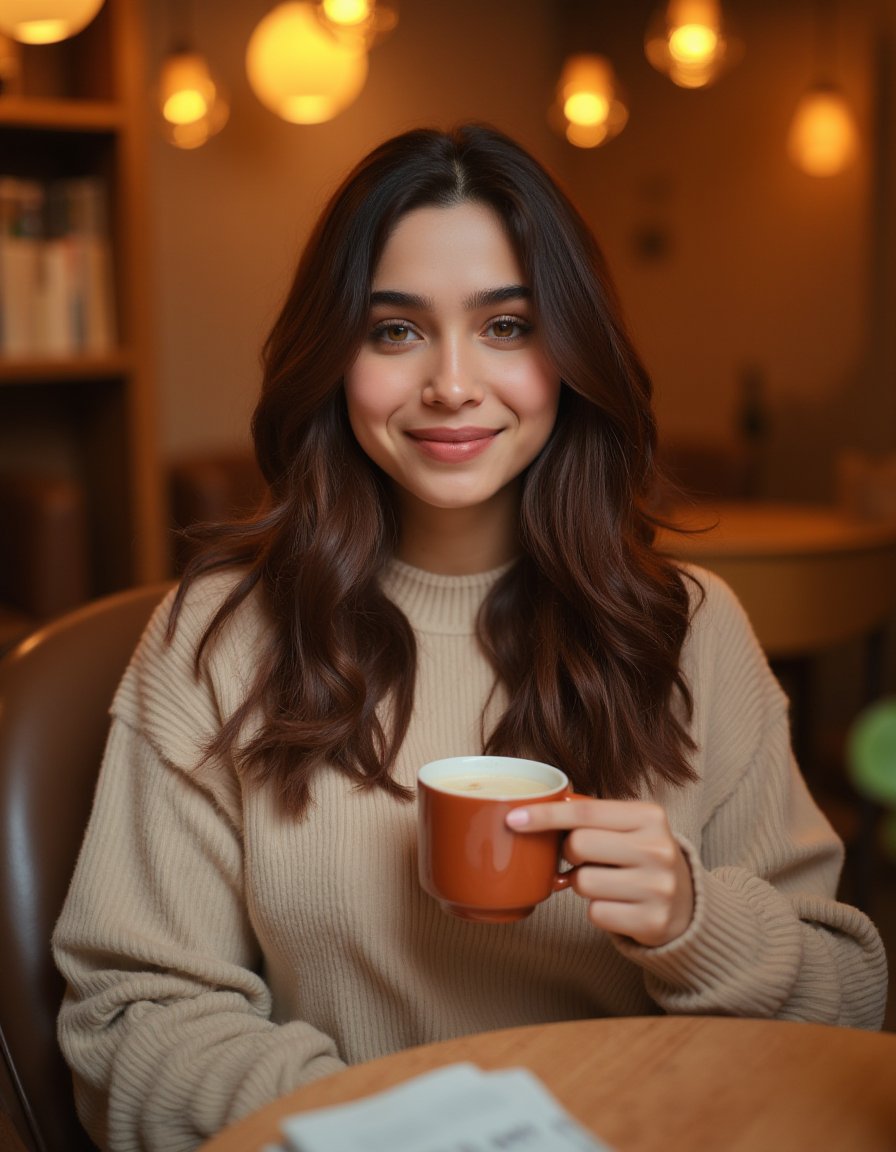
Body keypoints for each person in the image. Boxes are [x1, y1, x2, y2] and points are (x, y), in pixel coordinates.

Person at [53, 123, 887, 1152]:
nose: (451, 383)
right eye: (394, 331)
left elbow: (849, 998)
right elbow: (133, 1020)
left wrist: (693, 921)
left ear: (572, 354)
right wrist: (389, 1129)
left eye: (505, 327)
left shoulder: (690, 629)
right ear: (333, 358)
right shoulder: (220, 637)